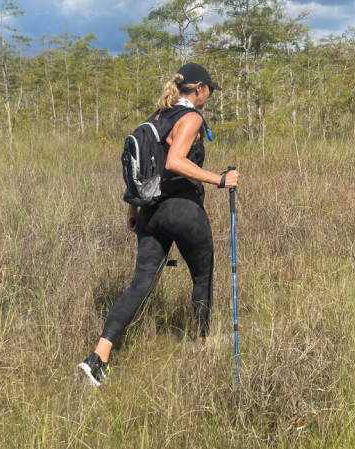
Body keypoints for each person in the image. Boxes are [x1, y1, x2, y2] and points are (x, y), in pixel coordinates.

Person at [79, 62, 239, 387]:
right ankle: (202, 344)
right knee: (203, 276)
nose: (208, 95)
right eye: (208, 90)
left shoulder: (158, 116)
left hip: (149, 213)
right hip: (183, 210)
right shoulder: (191, 117)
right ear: (198, 89)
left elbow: (141, 167)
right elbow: (173, 162)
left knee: (139, 286)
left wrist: (132, 213)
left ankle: (97, 359)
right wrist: (219, 180)